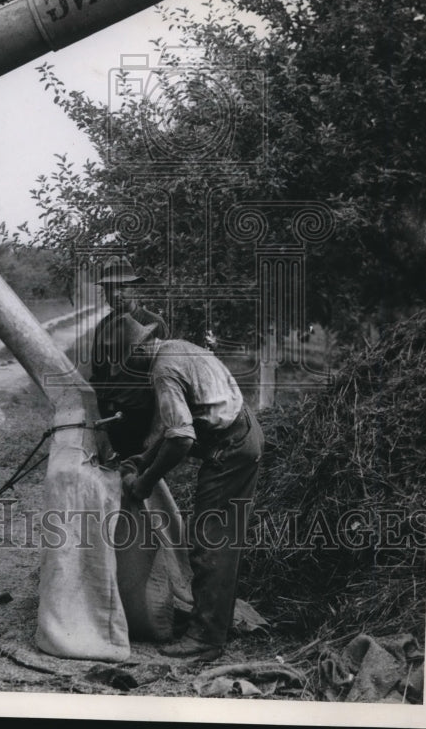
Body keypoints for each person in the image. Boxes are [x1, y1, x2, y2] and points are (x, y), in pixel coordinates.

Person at [108, 313, 264, 661]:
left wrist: (144, 483)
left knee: (210, 544)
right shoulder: (178, 349)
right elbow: (176, 425)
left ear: (139, 351)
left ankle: (205, 639)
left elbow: (181, 438)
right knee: (221, 541)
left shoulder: (162, 371)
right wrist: (144, 459)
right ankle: (214, 625)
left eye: (127, 360)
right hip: (243, 432)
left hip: (231, 447)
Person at [89, 256, 168, 458]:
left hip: (143, 419)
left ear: (134, 288)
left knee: (143, 481)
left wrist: (155, 432)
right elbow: (98, 378)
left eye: (122, 286)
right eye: (109, 287)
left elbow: (166, 383)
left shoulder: (154, 324)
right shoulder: (102, 328)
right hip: (111, 419)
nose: (115, 293)